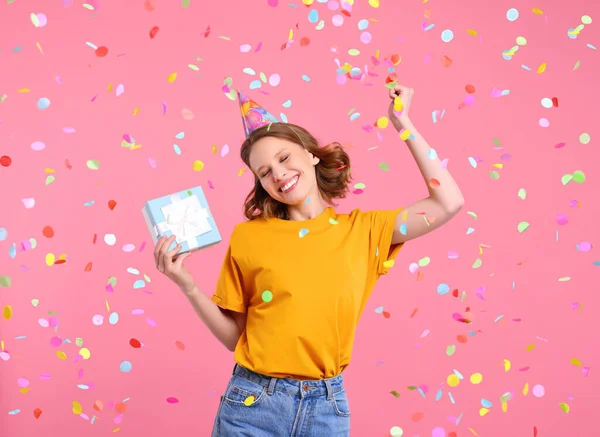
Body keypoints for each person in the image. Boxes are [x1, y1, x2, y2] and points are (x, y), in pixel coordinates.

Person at [154, 85, 464, 436]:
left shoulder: (364, 231)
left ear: (311, 154)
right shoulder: (250, 237)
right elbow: (234, 338)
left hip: (326, 409)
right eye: (264, 172)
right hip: (251, 404)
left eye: (284, 158)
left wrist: (402, 122)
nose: (278, 174)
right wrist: (188, 284)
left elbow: (447, 202)